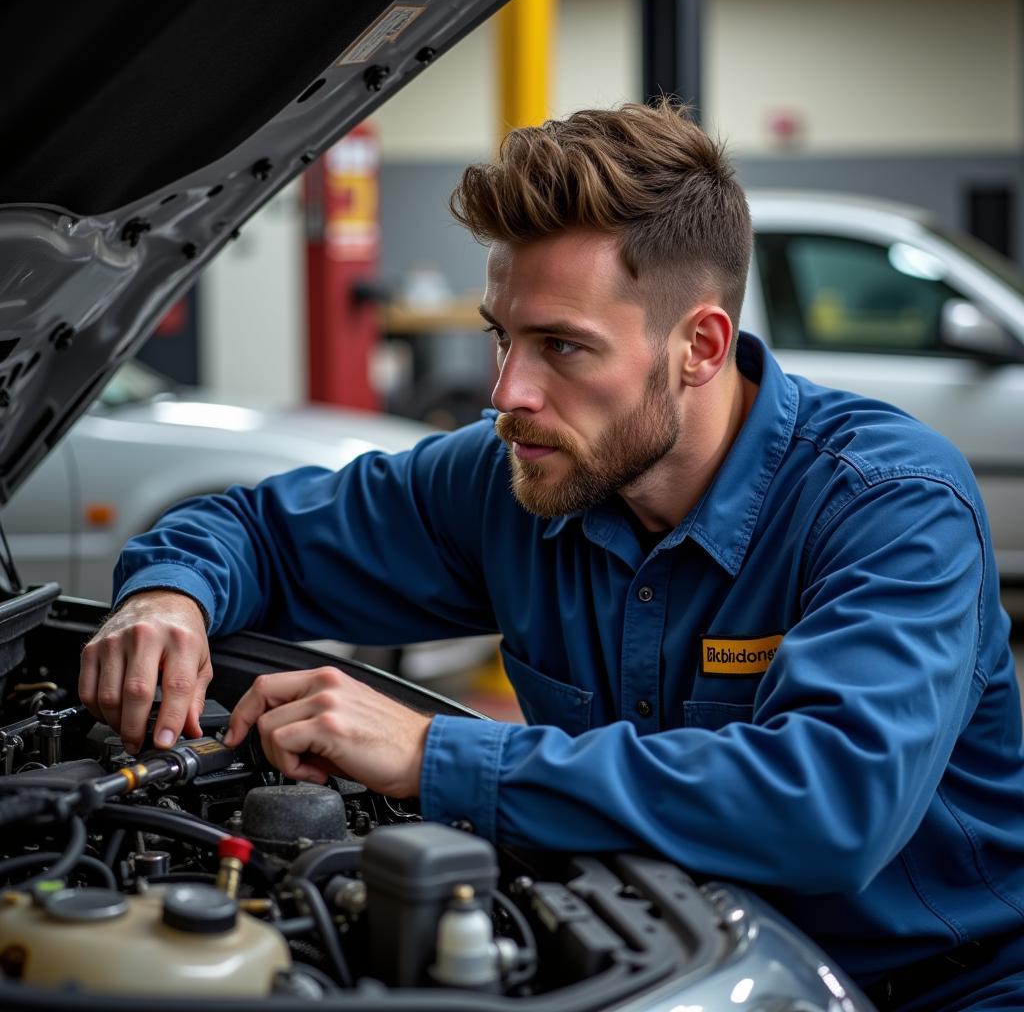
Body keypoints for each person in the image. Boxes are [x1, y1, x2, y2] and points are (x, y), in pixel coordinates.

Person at [79, 101, 1024, 1011]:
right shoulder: (517, 479)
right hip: (654, 950)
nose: (506, 393)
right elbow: (251, 531)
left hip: (935, 986)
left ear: (699, 345)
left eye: (562, 347)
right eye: (502, 337)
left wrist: (434, 753)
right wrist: (168, 597)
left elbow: (827, 807)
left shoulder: (890, 505)